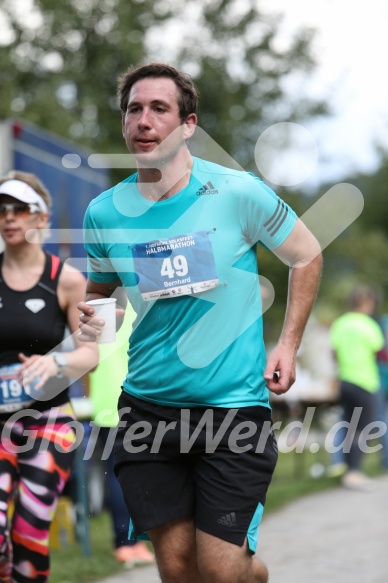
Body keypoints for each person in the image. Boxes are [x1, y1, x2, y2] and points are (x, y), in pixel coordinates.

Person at [78, 63, 322, 583]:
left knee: (219, 569)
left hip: (231, 409)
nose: (144, 121)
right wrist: (94, 321)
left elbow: (306, 254)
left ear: (188, 124)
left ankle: (245, 572)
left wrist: (288, 345)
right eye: (134, 109)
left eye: (159, 109)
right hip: (149, 408)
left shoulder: (238, 192)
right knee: (178, 567)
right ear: (124, 124)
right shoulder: (105, 212)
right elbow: (101, 293)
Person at [0, 171, 99, 582]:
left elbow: (91, 355)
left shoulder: (69, 280)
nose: (9, 218)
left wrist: (55, 363)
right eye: (1, 210)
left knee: (29, 531)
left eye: (19, 209)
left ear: (41, 218)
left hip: (49, 422)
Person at [88, 306, 155, 567]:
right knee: (123, 475)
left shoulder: (98, 309)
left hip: (107, 402)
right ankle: (126, 543)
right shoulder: (137, 307)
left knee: (121, 473)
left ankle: (131, 541)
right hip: (126, 402)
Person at [330, 286, 385, 490]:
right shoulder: (368, 324)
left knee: (348, 426)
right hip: (365, 381)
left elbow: (334, 353)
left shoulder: (340, 323)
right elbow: (378, 349)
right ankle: (354, 472)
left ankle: (347, 468)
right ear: (367, 302)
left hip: (346, 380)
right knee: (363, 429)